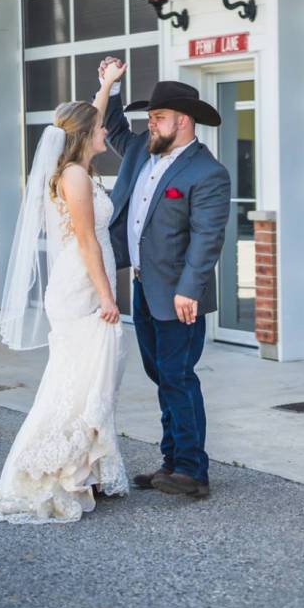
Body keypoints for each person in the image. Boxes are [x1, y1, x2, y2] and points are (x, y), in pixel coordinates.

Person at [0, 99, 129, 524]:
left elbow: (87, 116)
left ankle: (83, 471)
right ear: (85, 135)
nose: (106, 132)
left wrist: (106, 87)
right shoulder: (75, 175)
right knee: (80, 379)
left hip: (83, 281)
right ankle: (57, 471)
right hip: (81, 286)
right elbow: (86, 240)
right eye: (100, 127)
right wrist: (106, 296)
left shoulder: (76, 170)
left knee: (90, 377)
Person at [96, 57, 231, 498]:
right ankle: (171, 462)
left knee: (177, 376)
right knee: (161, 375)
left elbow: (207, 237)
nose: (150, 124)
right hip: (143, 286)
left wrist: (189, 290)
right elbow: (111, 126)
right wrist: (111, 87)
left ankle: (192, 471)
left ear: (183, 121)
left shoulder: (208, 172)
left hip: (179, 296)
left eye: (158, 117)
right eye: (150, 117)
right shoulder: (141, 149)